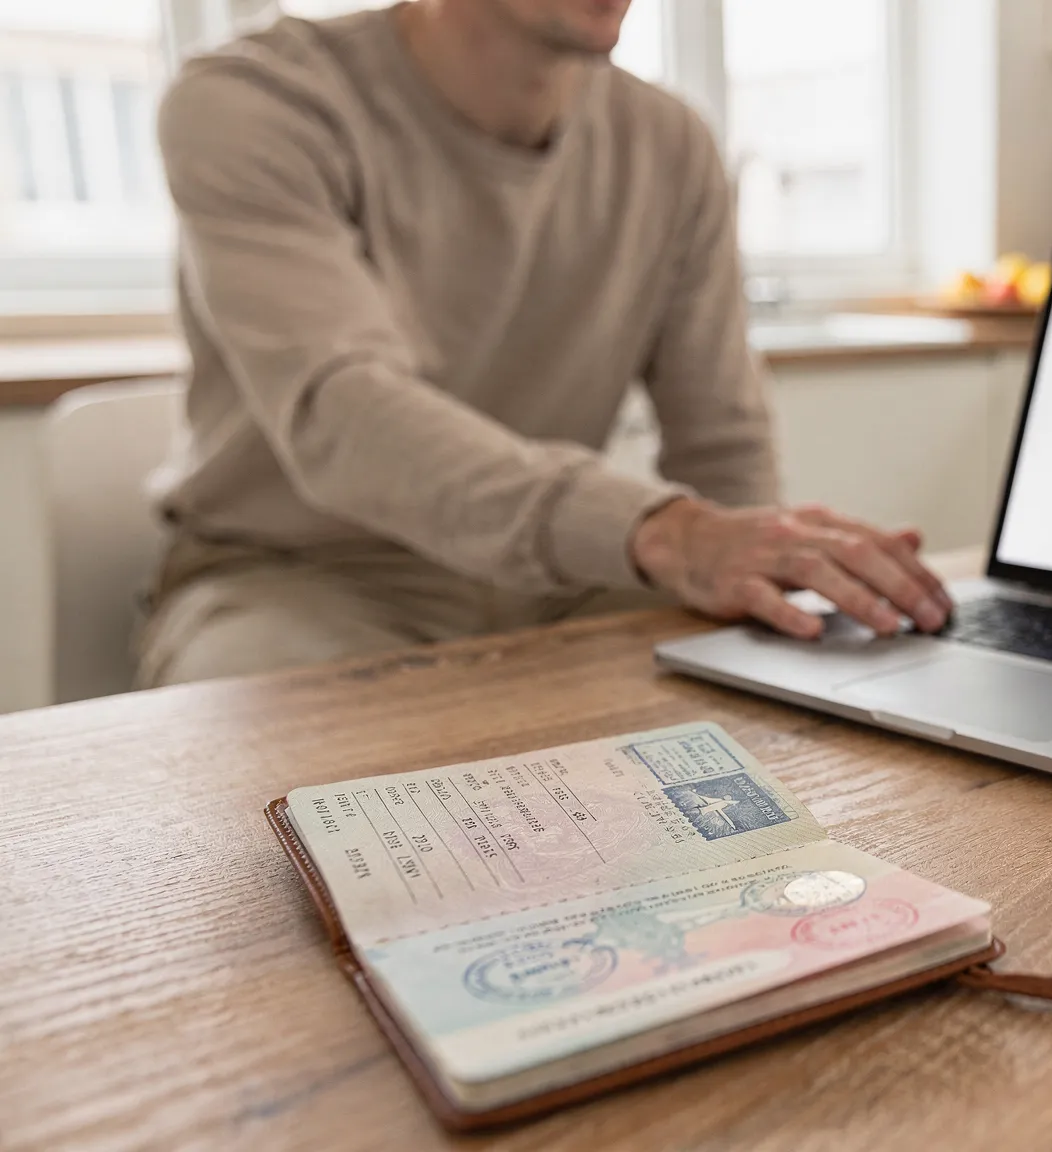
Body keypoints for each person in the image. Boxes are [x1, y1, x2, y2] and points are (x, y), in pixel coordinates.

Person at [138, 0, 952, 689]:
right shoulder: (254, 104)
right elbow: (344, 416)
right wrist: (666, 533)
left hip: (565, 580)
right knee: (274, 813)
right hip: (301, 577)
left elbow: (724, 443)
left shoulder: (670, 144)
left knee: (829, 715)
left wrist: (772, 575)